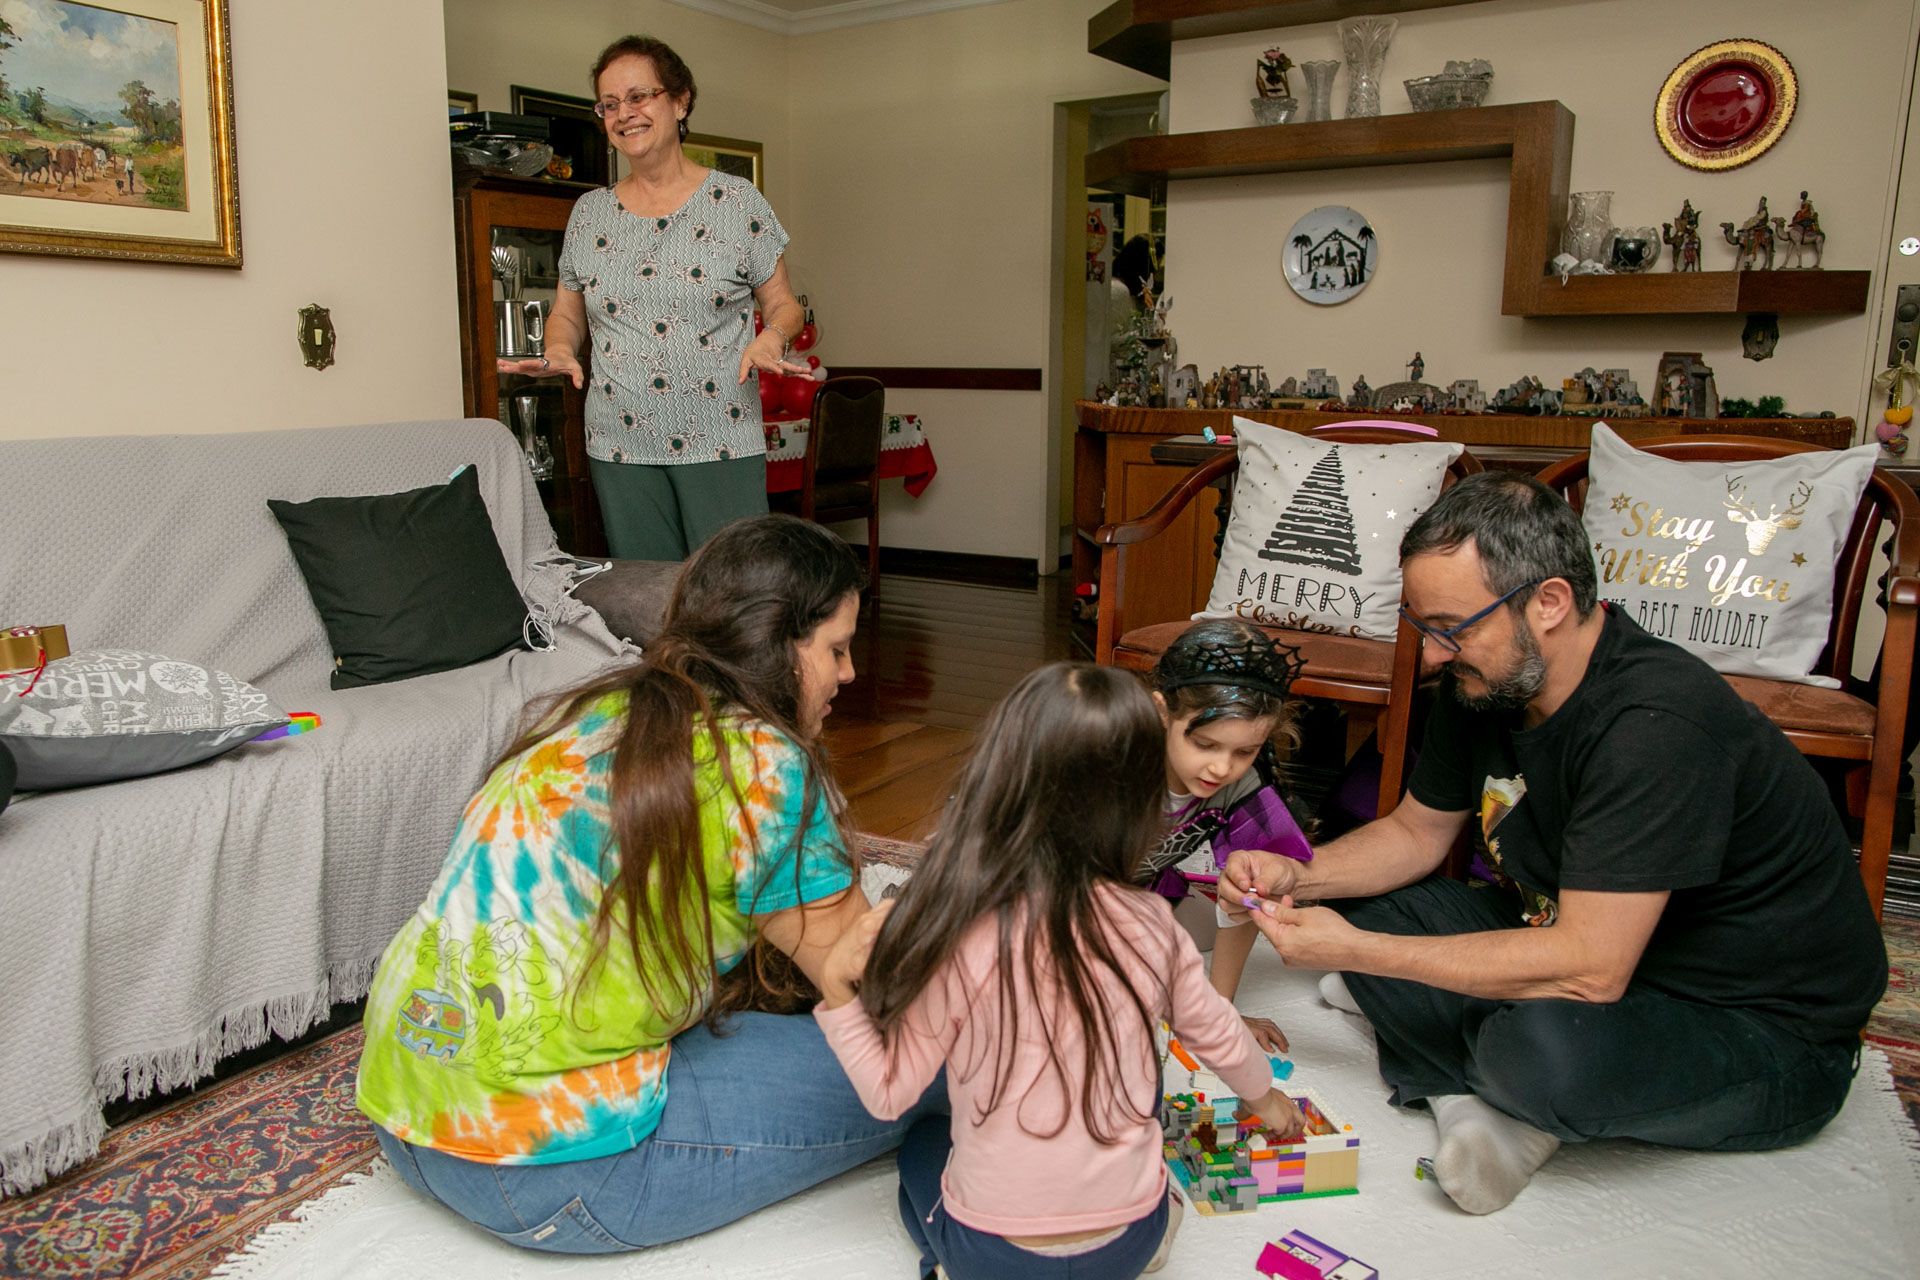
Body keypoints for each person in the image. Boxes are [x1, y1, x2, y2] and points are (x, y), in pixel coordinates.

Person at [1224, 471, 1887, 1216]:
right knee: (1380, 911)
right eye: (1424, 628)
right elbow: (1415, 833)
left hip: (1757, 1022)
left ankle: (1487, 1090)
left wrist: (1356, 954)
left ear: (1548, 603)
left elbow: (1593, 970)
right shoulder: (1487, 685)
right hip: (1585, 944)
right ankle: (1473, 1097)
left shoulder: (1655, 726)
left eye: (1453, 627)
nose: (1436, 655)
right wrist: (1296, 876)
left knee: (1538, 1051)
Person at [355, 515, 943, 1254]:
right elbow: (864, 988)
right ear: (778, 644)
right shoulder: (763, 764)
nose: (850, 674)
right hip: (550, 1174)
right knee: (952, 1054)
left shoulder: (593, 709)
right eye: (836, 649)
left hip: (406, 1118)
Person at [814, 663, 1304, 1280]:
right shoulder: (1155, 923)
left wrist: (838, 989)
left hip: (994, 1253)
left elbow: (889, 1094)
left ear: (998, 781)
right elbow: (1220, 1037)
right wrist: (1267, 1102)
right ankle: (1151, 1233)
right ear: (1139, 803)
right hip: (1128, 1240)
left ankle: (945, 1265)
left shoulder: (956, 931)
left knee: (921, 1147)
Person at [499, 35, 814, 561]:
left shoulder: (736, 202)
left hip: (719, 436)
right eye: (610, 104)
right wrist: (558, 349)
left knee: (733, 596)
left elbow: (785, 304)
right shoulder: (589, 213)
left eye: (639, 96)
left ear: (680, 101)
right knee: (647, 598)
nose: (625, 114)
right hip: (619, 441)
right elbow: (567, 314)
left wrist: (772, 338)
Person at [1134, 620, 1311, 1055]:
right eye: (1206, 744)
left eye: (1244, 751)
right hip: (1025, 891)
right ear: (1162, 711)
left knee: (1201, 935)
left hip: (1132, 890)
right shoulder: (1112, 760)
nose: (1221, 769)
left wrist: (1217, 1009)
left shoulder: (1243, 784)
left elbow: (1253, 889)